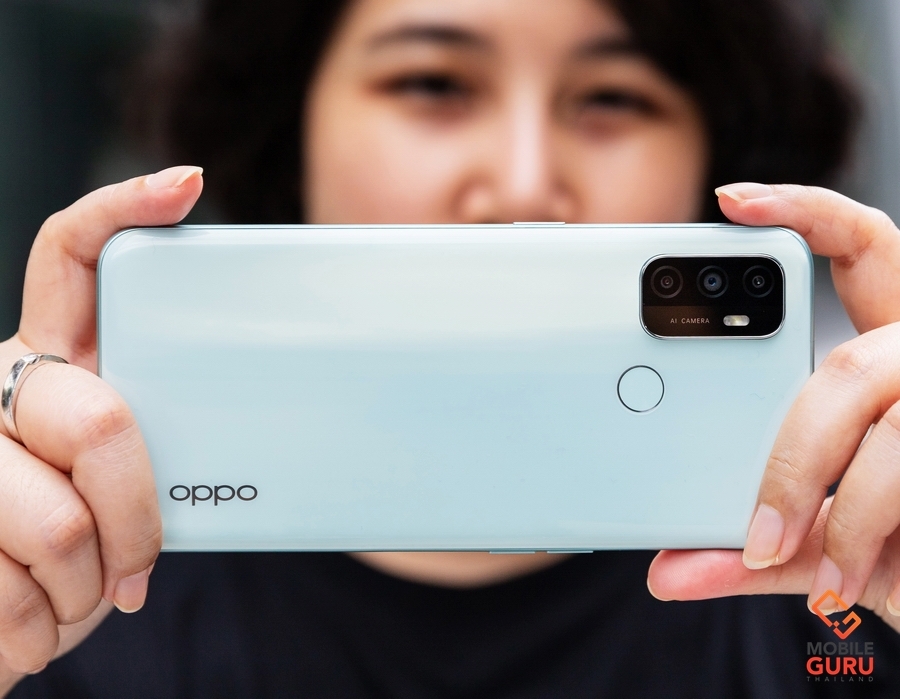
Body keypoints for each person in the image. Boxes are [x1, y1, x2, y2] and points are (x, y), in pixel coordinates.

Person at [3, 0, 900, 695]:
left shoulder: (844, 588)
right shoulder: (72, 597)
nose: (521, 183)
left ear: (715, 151)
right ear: (289, 121)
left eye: (614, 97)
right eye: (432, 83)